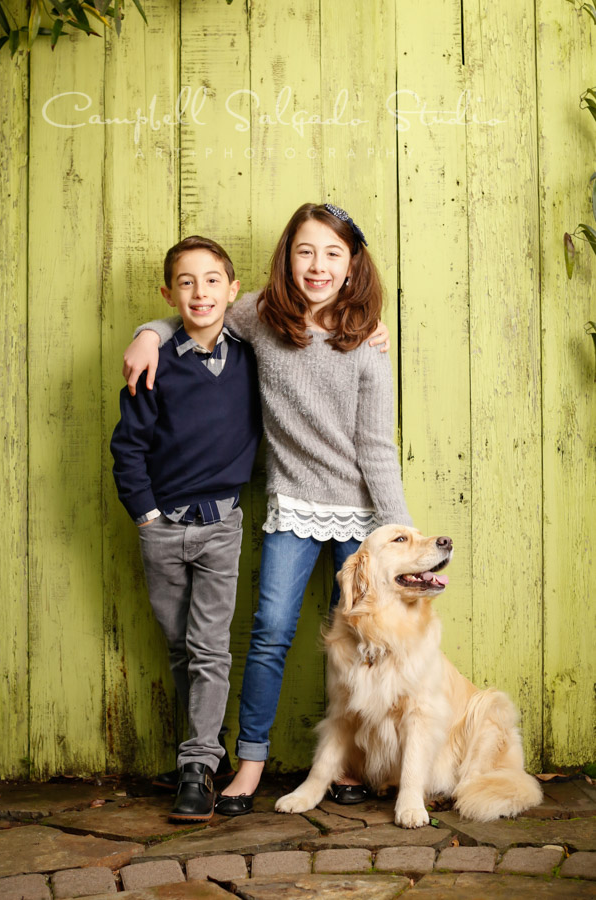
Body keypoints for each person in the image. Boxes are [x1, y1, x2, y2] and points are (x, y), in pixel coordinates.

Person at [123, 203, 412, 816]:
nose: (318, 265)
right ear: (288, 256)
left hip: (359, 516)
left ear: (352, 264)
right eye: (306, 251)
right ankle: (250, 764)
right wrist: (148, 332)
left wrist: (397, 532)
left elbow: (376, 446)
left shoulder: (367, 340)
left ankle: (349, 766)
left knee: (361, 643)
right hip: (292, 508)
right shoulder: (261, 316)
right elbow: (199, 315)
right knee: (270, 634)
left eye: (333, 254)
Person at [110, 236, 262, 823]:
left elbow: (304, 321)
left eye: (211, 280)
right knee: (181, 648)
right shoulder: (156, 360)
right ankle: (204, 750)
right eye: (186, 282)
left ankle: (196, 767)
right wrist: (146, 516)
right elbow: (128, 448)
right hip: (162, 529)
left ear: (232, 288)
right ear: (169, 293)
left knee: (209, 648)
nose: (200, 292)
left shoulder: (252, 356)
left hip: (221, 526)